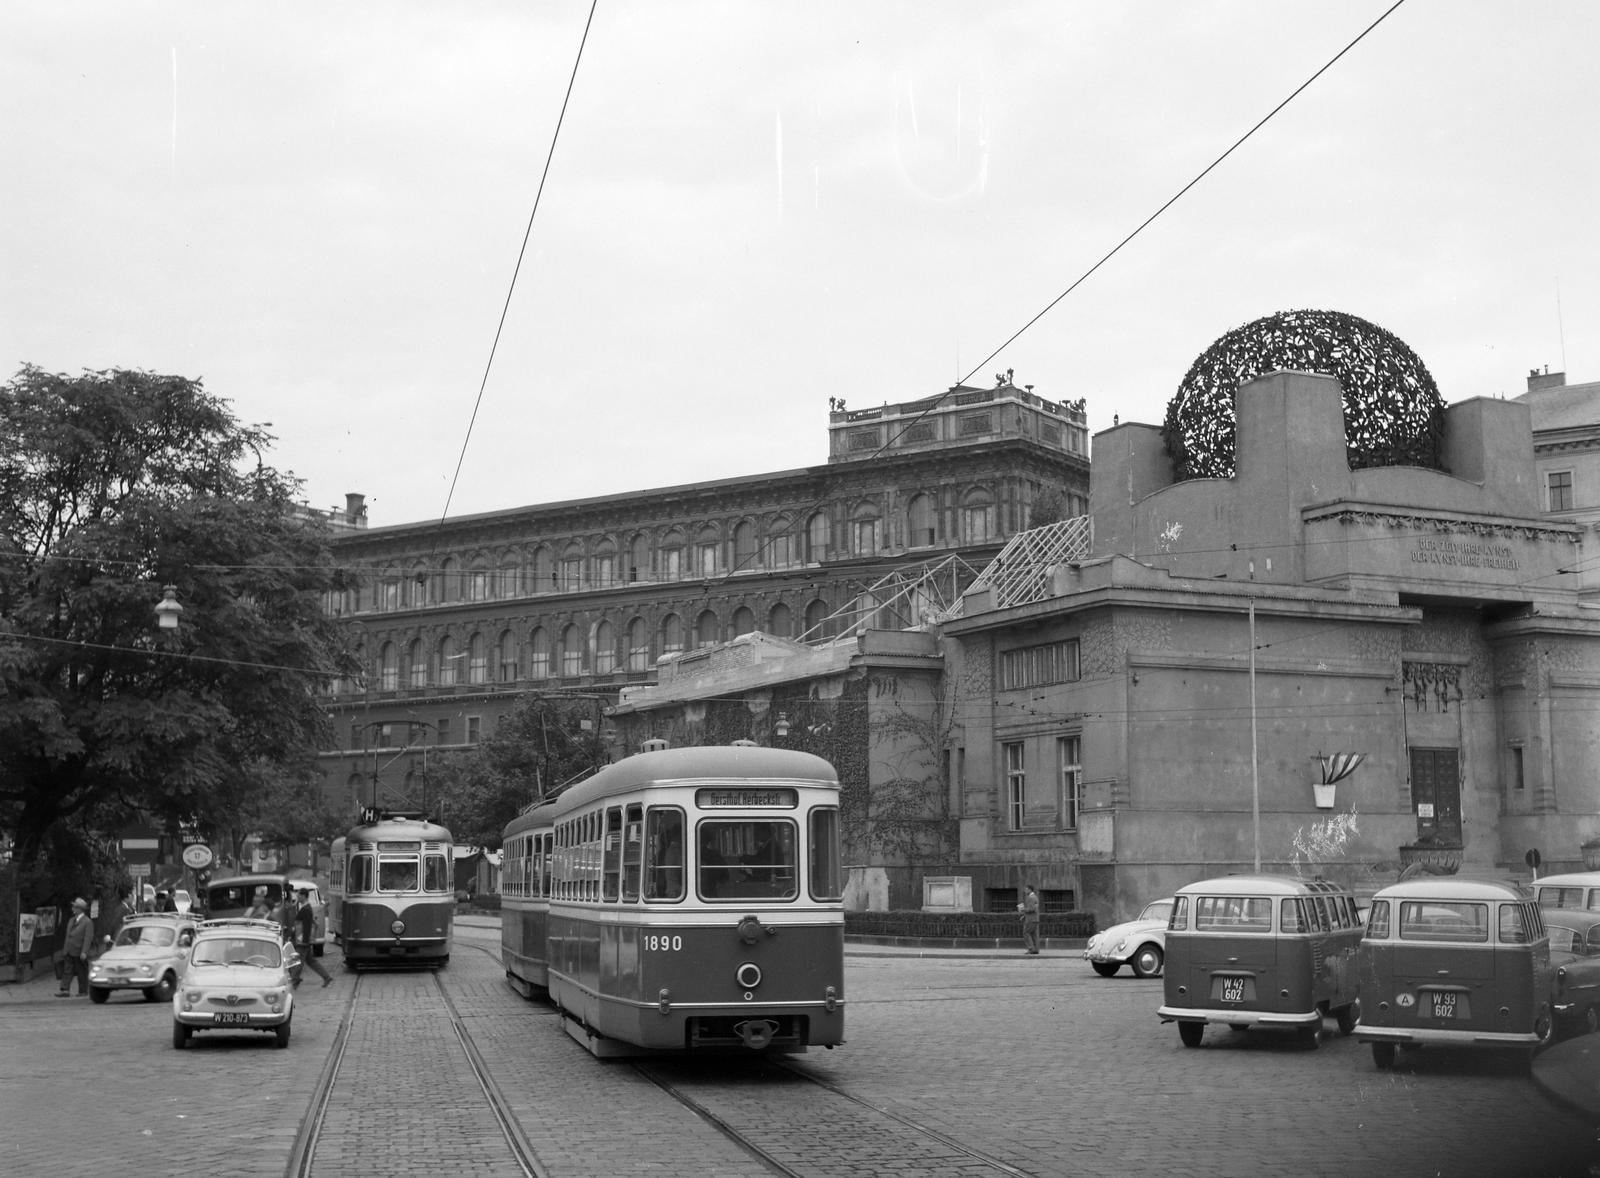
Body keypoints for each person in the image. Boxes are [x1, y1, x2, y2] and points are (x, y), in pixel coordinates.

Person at [291, 888, 333, 988]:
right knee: (311, 961)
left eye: (299, 895)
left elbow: (306, 926)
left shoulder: (306, 909)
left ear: (304, 896)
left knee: (298, 961)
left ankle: (295, 979)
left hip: (302, 940)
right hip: (303, 939)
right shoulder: (306, 908)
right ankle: (326, 977)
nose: (297, 897)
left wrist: (305, 941)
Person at [56, 898, 95, 997]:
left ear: (80, 909)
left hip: (79, 951)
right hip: (69, 950)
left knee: (81, 971)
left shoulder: (87, 922)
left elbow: (88, 938)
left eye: (75, 907)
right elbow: (67, 936)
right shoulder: (71, 920)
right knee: (67, 970)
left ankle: (83, 990)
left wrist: (84, 952)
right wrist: (65, 949)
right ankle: (65, 990)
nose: (72, 909)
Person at [1019, 884, 1041, 956]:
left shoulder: (1030, 898)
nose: (1025, 891)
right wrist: (1024, 916)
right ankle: (1036, 949)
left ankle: (1031, 948)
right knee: (1034, 934)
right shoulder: (1035, 897)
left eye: (1026, 889)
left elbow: (1031, 909)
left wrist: (1022, 909)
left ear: (1030, 889)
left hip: (1030, 919)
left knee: (1026, 933)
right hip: (1035, 919)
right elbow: (1034, 909)